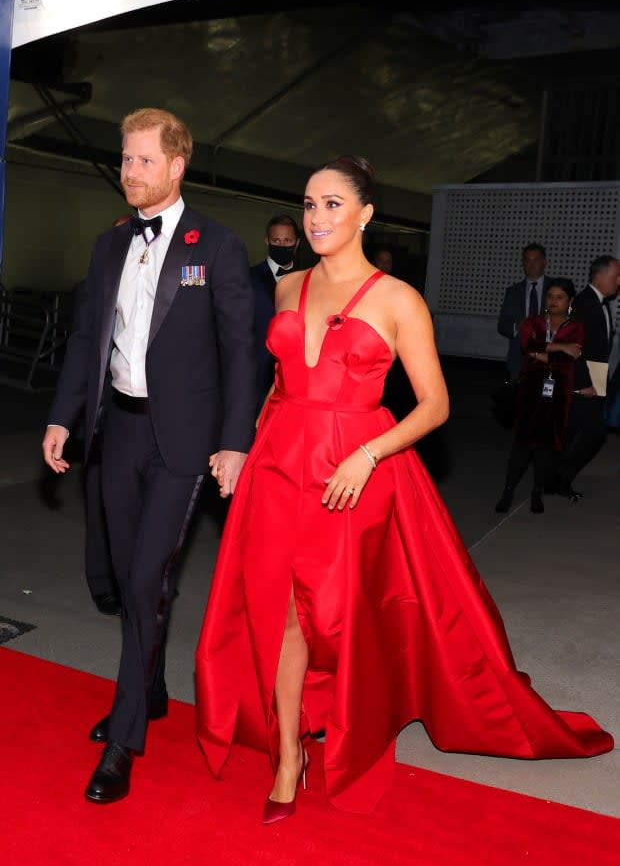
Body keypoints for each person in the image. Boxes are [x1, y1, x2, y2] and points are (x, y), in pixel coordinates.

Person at [194, 155, 613, 822]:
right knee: (285, 611)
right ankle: (287, 756)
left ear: (364, 214)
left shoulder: (397, 298)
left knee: (343, 614)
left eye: (333, 204)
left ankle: (353, 719)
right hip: (278, 464)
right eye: (309, 204)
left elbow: (435, 404)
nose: (317, 216)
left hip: (353, 470)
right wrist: (241, 446)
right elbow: (276, 383)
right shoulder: (287, 287)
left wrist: (368, 452)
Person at [42, 107, 257, 805]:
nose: (129, 171)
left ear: (175, 165)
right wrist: (61, 416)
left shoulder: (216, 247)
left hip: (183, 442)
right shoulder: (109, 248)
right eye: (125, 158)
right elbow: (85, 342)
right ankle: (154, 690)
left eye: (141, 160)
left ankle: (125, 738)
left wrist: (234, 440)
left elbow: (239, 351)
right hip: (117, 432)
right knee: (133, 576)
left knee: (143, 582)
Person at [71, 214, 133, 617]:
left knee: (138, 505)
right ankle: (102, 582)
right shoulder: (90, 287)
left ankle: (138, 580)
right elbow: (80, 352)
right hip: (101, 411)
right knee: (99, 499)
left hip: (141, 411)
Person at [494, 278, 584, 515]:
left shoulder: (576, 327)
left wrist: (543, 352)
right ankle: (508, 490)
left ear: (570, 301)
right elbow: (527, 344)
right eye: (550, 296)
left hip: (558, 392)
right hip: (530, 390)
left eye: (559, 297)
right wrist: (560, 347)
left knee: (546, 444)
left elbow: (567, 361)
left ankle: (537, 491)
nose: (553, 301)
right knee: (522, 442)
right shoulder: (533, 321)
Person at [551, 255, 620, 496]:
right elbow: (577, 350)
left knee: (571, 432)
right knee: (594, 433)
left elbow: (599, 349)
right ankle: (560, 478)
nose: (619, 281)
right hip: (581, 383)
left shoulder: (600, 303)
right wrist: (588, 385)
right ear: (600, 278)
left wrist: (601, 385)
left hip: (593, 380)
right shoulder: (584, 304)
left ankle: (553, 479)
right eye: (616, 277)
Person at [250, 214, 301, 411]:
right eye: (276, 241)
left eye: (287, 241)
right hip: (256, 376)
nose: (282, 245)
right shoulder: (247, 278)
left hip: (293, 379)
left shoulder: (309, 281)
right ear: (267, 241)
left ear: (296, 243)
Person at [497, 243, 553, 382]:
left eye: (536, 260)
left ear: (544, 262)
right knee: (518, 401)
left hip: (549, 357)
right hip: (519, 360)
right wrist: (517, 326)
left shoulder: (556, 289)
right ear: (523, 263)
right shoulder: (513, 292)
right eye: (527, 260)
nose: (531, 264)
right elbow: (502, 326)